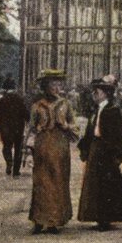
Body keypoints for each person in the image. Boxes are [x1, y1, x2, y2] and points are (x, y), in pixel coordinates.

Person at [28, 69, 77, 234]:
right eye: (52, 84)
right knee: (41, 182)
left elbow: (75, 127)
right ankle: (39, 219)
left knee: (57, 180)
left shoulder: (65, 105)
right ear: (45, 86)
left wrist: (66, 126)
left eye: (58, 84)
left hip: (60, 146)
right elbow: (31, 129)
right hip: (42, 146)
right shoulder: (37, 106)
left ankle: (54, 220)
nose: (56, 87)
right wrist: (30, 148)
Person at [78, 76, 122, 230]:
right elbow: (90, 131)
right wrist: (85, 147)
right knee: (94, 183)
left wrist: (118, 154)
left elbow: (119, 134)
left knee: (107, 184)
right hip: (95, 148)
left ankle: (106, 218)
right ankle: (97, 216)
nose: (95, 94)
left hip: (107, 151)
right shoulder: (95, 111)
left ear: (106, 93)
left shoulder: (112, 111)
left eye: (97, 92)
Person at [0, 89, 28, 178]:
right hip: (18, 128)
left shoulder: (2, 100)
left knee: (6, 147)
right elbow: (26, 114)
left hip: (5, 128)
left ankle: (9, 162)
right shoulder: (20, 100)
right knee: (18, 150)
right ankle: (16, 172)